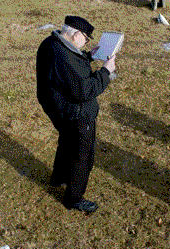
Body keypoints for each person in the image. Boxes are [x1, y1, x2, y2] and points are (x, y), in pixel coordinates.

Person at [36, 16, 116, 213]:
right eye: (86, 39)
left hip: (58, 109)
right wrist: (106, 72)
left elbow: (68, 71)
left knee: (66, 143)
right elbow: (85, 90)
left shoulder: (51, 43)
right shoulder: (65, 57)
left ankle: (59, 177)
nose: (86, 43)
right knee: (82, 156)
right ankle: (73, 198)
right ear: (76, 34)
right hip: (77, 114)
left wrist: (89, 56)